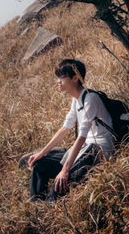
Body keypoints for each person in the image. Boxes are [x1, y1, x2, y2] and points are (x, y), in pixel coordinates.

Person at [27, 58, 114, 201]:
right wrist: (42, 153)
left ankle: (49, 209)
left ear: (75, 78)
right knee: (40, 164)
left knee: (62, 179)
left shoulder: (90, 99)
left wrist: (65, 169)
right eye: (58, 77)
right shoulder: (76, 99)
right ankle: (35, 205)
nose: (58, 81)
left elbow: (82, 136)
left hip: (99, 150)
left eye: (62, 77)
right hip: (85, 148)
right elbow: (65, 128)